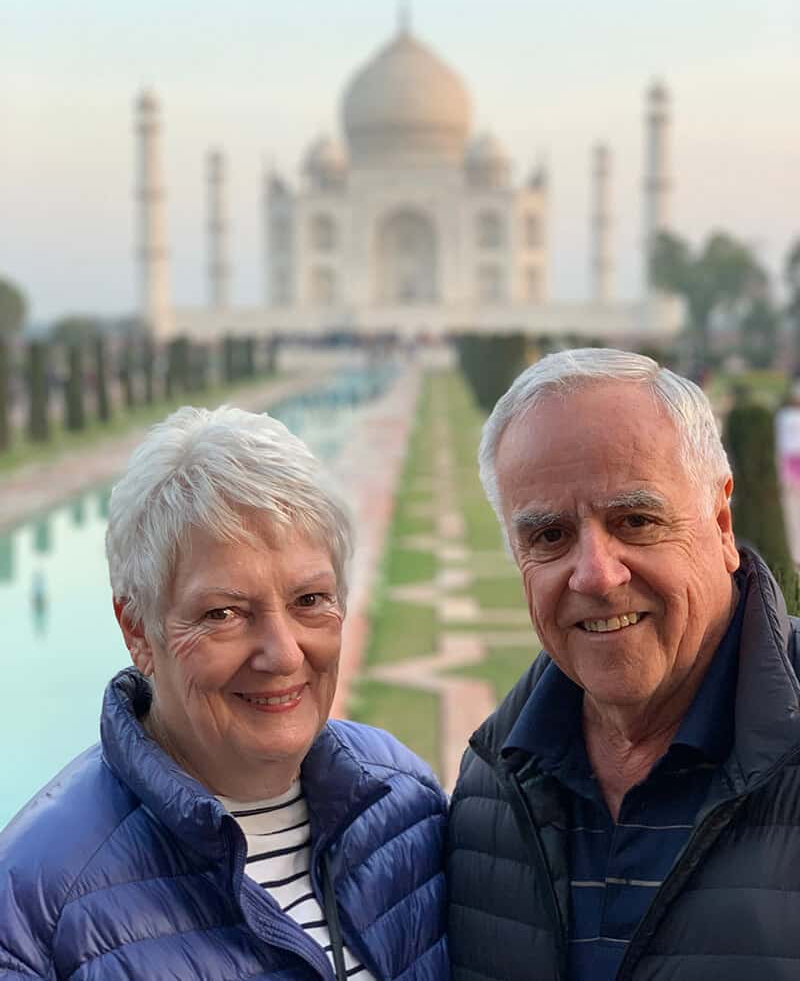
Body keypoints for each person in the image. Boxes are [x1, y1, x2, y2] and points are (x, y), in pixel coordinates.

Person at [1, 405, 448, 980]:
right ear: (138, 629)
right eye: (224, 613)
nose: (283, 653)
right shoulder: (39, 901)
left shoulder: (405, 804)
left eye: (309, 600)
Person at [447, 348, 800, 981]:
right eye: (549, 536)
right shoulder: (489, 788)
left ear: (721, 522)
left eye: (636, 521)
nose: (596, 575)